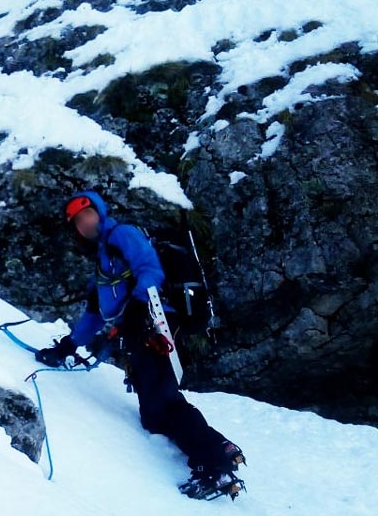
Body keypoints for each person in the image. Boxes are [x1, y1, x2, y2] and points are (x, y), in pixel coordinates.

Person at [35, 190, 246, 500]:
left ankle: (214, 463)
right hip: (138, 331)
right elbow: (96, 312)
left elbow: (151, 270)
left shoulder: (123, 235)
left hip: (153, 324)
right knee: (153, 415)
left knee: (165, 401)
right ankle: (220, 449)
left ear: (101, 212)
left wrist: (137, 306)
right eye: (78, 221)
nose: (85, 223)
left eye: (88, 214)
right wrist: (69, 345)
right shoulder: (104, 258)